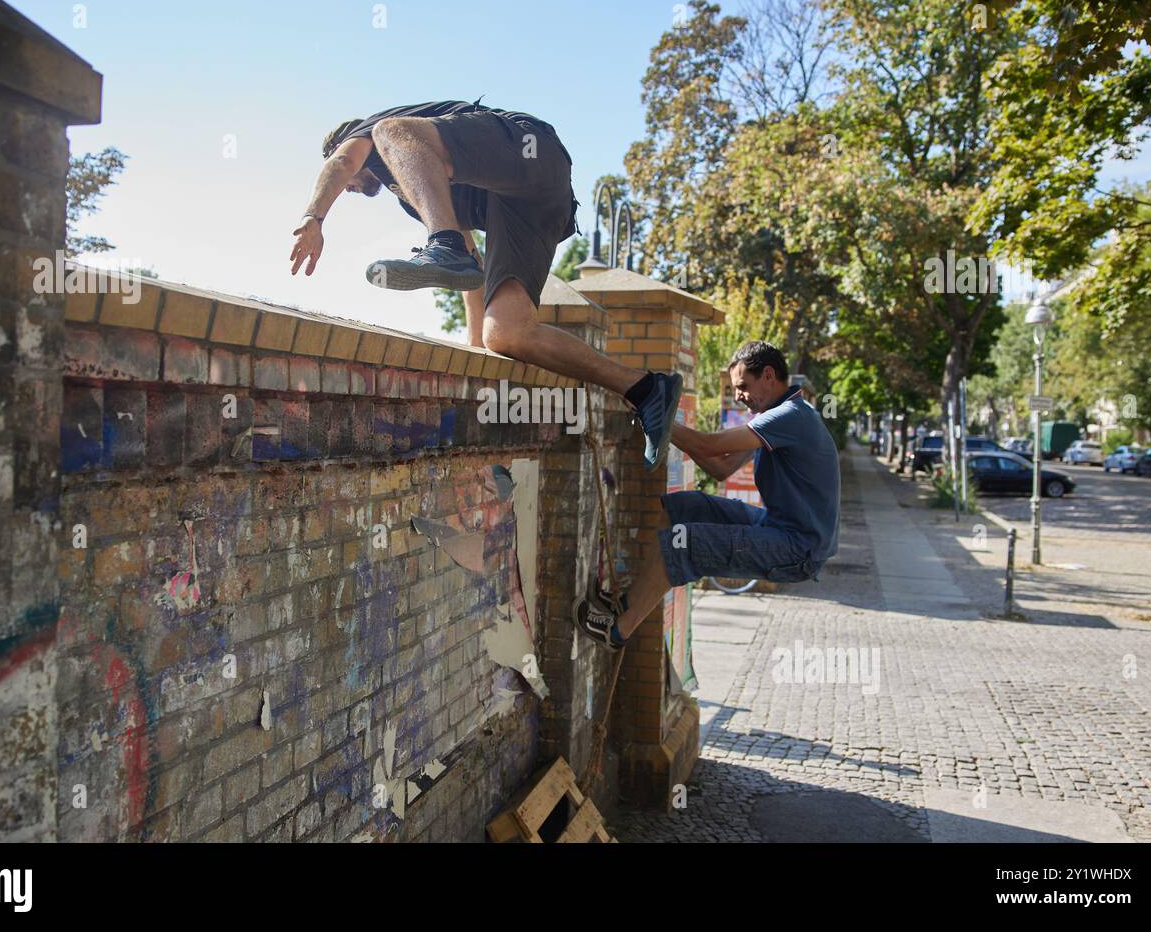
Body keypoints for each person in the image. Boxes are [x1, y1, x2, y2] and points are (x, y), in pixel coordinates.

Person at [288, 98, 680, 471]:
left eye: (348, 183)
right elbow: (469, 265)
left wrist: (314, 216)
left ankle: (440, 243)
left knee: (390, 132)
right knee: (507, 333)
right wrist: (475, 348)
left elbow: (341, 161)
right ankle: (645, 390)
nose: (350, 189)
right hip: (530, 203)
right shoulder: (417, 192)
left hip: (531, 151)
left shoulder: (372, 134)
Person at [576, 340, 840, 649]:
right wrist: (659, 421)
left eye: (743, 386)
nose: (739, 396)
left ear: (769, 375)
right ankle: (627, 603)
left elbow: (707, 446)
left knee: (680, 541)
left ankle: (617, 630)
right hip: (777, 527)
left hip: (798, 548)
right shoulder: (774, 418)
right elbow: (721, 466)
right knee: (681, 508)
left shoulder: (792, 416)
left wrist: (657, 416)